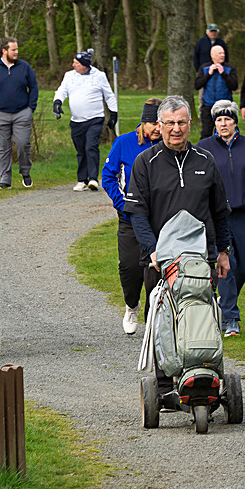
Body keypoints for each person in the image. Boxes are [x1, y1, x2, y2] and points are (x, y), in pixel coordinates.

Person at [124, 95, 232, 401]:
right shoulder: (146, 163)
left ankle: (204, 377)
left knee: (202, 317)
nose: (176, 129)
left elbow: (219, 211)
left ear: (190, 124)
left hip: (200, 259)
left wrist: (223, 251)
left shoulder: (205, 161)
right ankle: (164, 388)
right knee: (161, 321)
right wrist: (152, 249)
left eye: (181, 122)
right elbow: (137, 214)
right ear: (159, 125)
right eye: (169, 123)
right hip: (160, 260)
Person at [196, 100, 245, 337]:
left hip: (244, 216)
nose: (223, 124)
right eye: (219, 120)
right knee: (226, 265)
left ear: (235, 122)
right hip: (216, 217)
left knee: (244, 266)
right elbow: (196, 184)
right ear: (214, 123)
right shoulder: (204, 148)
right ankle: (231, 318)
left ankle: (223, 302)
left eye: (227, 119)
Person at [101, 98, 162, 334]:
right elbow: (108, 176)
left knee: (155, 271)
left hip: (158, 220)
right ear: (143, 122)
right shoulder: (124, 142)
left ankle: (152, 319)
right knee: (129, 268)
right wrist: (122, 204)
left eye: (161, 123)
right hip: (129, 218)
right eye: (154, 123)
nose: (158, 129)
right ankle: (131, 305)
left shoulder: (167, 145)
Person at [53, 50, 118, 191]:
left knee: (91, 146)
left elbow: (109, 95)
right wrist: (57, 103)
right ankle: (82, 180)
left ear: (84, 65)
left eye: (76, 63)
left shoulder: (99, 76)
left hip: (95, 118)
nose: (73, 65)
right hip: (77, 120)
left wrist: (113, 114)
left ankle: (93, 179)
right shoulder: (69, 76)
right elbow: (62, 91)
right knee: (81, 150)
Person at [0, 37, 38, 189]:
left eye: (17, 49)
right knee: (3, 149)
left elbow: (33, 87)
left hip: (22, 113)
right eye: (14, 50)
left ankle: (25, 173)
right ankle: (5, 179)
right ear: (4, 51)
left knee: (23, 144)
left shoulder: (25, 67)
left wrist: (30, 109)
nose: (16, 52)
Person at [194, 45, 238, 139]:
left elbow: (234, 86)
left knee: (225, 134)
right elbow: (197, 85)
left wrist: (223, 73)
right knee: (206, 133)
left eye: (223, 53)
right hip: (208, 106)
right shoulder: (204, 68)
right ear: (212, 55)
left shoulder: (229, 68)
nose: (222, 55)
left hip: (224, 107)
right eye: (220, 53)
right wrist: (208, 74)